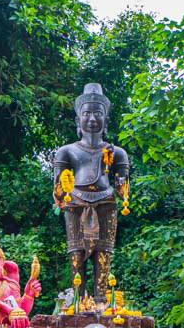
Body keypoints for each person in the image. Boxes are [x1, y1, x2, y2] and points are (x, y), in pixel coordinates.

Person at [52, 83, 130, 304]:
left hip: (106, 202)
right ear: (78, 120)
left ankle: (100, 299)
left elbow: (123, 190)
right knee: (76, 253)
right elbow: (57, 191)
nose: (92, 119)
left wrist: (119, 177)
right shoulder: (67, 151)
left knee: (103, 253)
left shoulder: (117, 152)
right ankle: (78, 298)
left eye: (98, 114)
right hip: (75, 202)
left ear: (105, 119)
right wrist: (61, 186)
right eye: (87, 114)